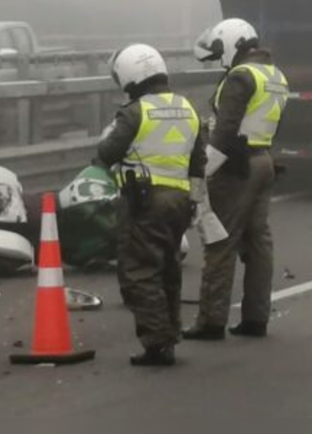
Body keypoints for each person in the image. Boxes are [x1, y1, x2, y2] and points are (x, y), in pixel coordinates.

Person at [95, 43, 206, 367]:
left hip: (145, 201)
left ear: (129, 75)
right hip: (180, 201)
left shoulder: (134, 112)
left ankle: (157, 343)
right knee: (168, 269)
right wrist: (196, 201)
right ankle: (169, 334)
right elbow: (198, 161)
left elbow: (107, 153)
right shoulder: (188, 108)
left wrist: (106, 137)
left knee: (140, 272)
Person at [183, 18, 289, 341]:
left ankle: (211, 321)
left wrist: (202, 173)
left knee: (220, 242)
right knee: (258, 243)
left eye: (219, 50)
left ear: (232, 43)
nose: (218, 58)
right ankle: (256, 318)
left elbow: (225, 132)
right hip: (264, 161)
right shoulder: (276, 76)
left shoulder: (240, 77)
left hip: (235, 166)